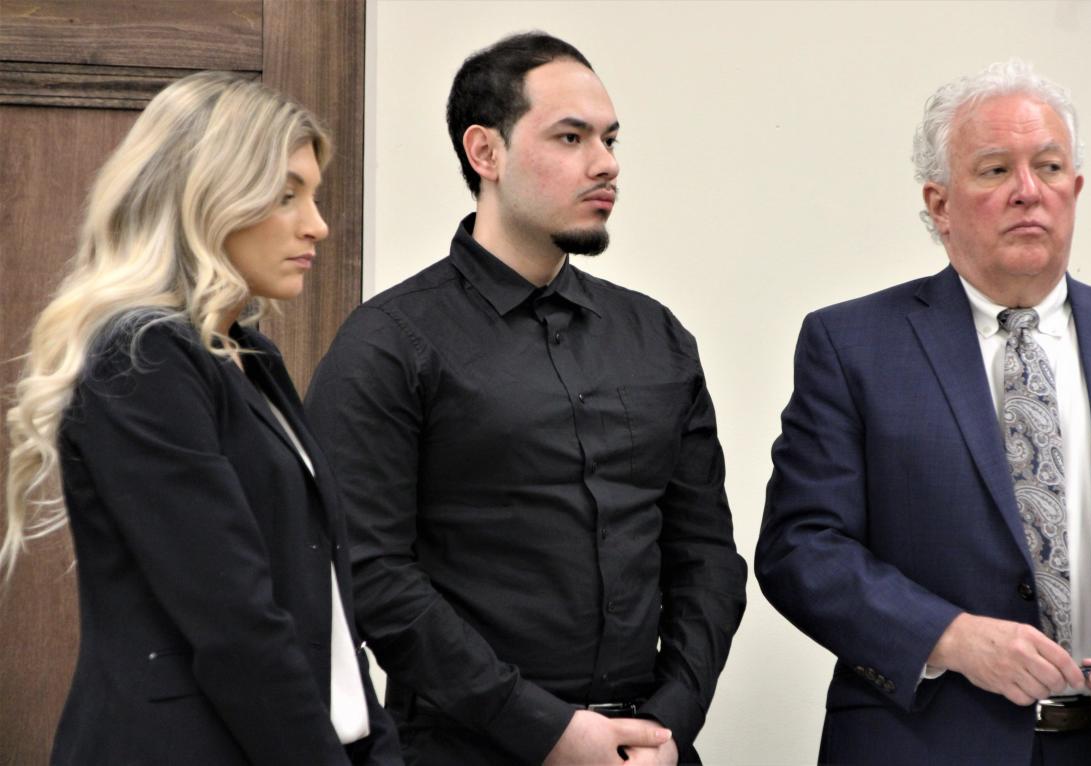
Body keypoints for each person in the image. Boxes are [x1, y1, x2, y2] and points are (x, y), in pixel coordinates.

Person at [755, 60, 1091, 765]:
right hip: (927, 741)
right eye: (993, 170)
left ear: (1075, 189)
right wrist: (948, 637)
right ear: (940, 203)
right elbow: (801, 546)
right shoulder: (852, 346)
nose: (1027, 192)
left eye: (1048, 167)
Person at [304, 32, 747, 766]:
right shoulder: (387, 343)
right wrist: (544, 730)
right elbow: (370, 573)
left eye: (608, 138)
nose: (605, 163)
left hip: (650, 749)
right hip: (462, 748)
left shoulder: (656, 336)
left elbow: (706, 557)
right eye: (570, 137)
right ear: (486, 153)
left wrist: (670, 724)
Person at [2, 71, 401, 766]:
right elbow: (235, 620)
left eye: (313, 193)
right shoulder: (143, 358)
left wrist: (375, 744)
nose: (318, 224)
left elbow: (325, 600)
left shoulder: (251, 355)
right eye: (285, 195)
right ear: (206, 198)